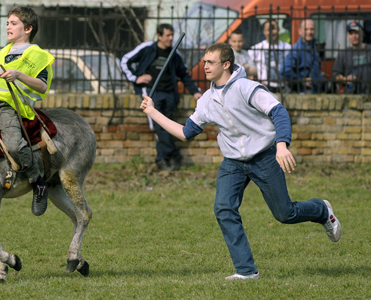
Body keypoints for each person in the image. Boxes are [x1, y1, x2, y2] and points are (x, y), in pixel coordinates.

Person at [140, 42, 342, 280]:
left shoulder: (248, 88)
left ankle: (321, 210)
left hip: (265, 156)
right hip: (233, 162)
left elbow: (279, 112)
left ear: (226, 64)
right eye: (204, 61)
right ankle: (246, 271)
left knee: (285, 214)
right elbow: (186, 133)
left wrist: (281, 145)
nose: (204, 66)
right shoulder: (206, 100)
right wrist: (153, 111)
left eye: (210, 62)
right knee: (223, 208)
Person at [0, 6, 54, 216]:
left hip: (8, 107)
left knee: (15, 147)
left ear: (28, 28)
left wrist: (19, 75)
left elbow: (42, 87)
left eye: (13, 23)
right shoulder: (5, 51)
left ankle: (38, 182)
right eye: (8, 23)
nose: (8, 26)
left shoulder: (38, 55)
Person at [121, 24, 202, 171]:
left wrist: (195, 91)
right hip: (152, 92)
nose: (171, 38)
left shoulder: (174, 54)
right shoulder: (147, 48)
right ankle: (168, 157)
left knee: (167, 125)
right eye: (167, 35)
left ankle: (165, 158)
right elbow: (125, 60)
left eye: (172, 35)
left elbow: (184, 74)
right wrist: (135, 78)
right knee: (158, 126)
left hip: (169, 93)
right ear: (159, 36)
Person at [249, 19, 291, 93]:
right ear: (264, 32)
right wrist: (256, 80)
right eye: (268, 30)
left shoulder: (288, 48)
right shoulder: (256, 48)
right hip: (265, 87)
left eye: (273, 29)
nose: (271, 32)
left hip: (284, 86)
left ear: (278, 30)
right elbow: (249, 67)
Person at [281, 19, 323, 93]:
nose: (309, 32)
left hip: (316, 90)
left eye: (312, 29)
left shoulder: (313, 46)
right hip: (303, 91)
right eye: (306, 29)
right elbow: (284, 71)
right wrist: (301, 80)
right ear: (299, 31)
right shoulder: (296, 49)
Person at [332, 21, 371, 94]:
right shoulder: (343, 54)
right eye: (351, 33)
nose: (354, 36)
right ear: (347, 35)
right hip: (351, 96)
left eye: (356, 33)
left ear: (362, 33)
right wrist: (345, 79)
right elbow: (336, 74)